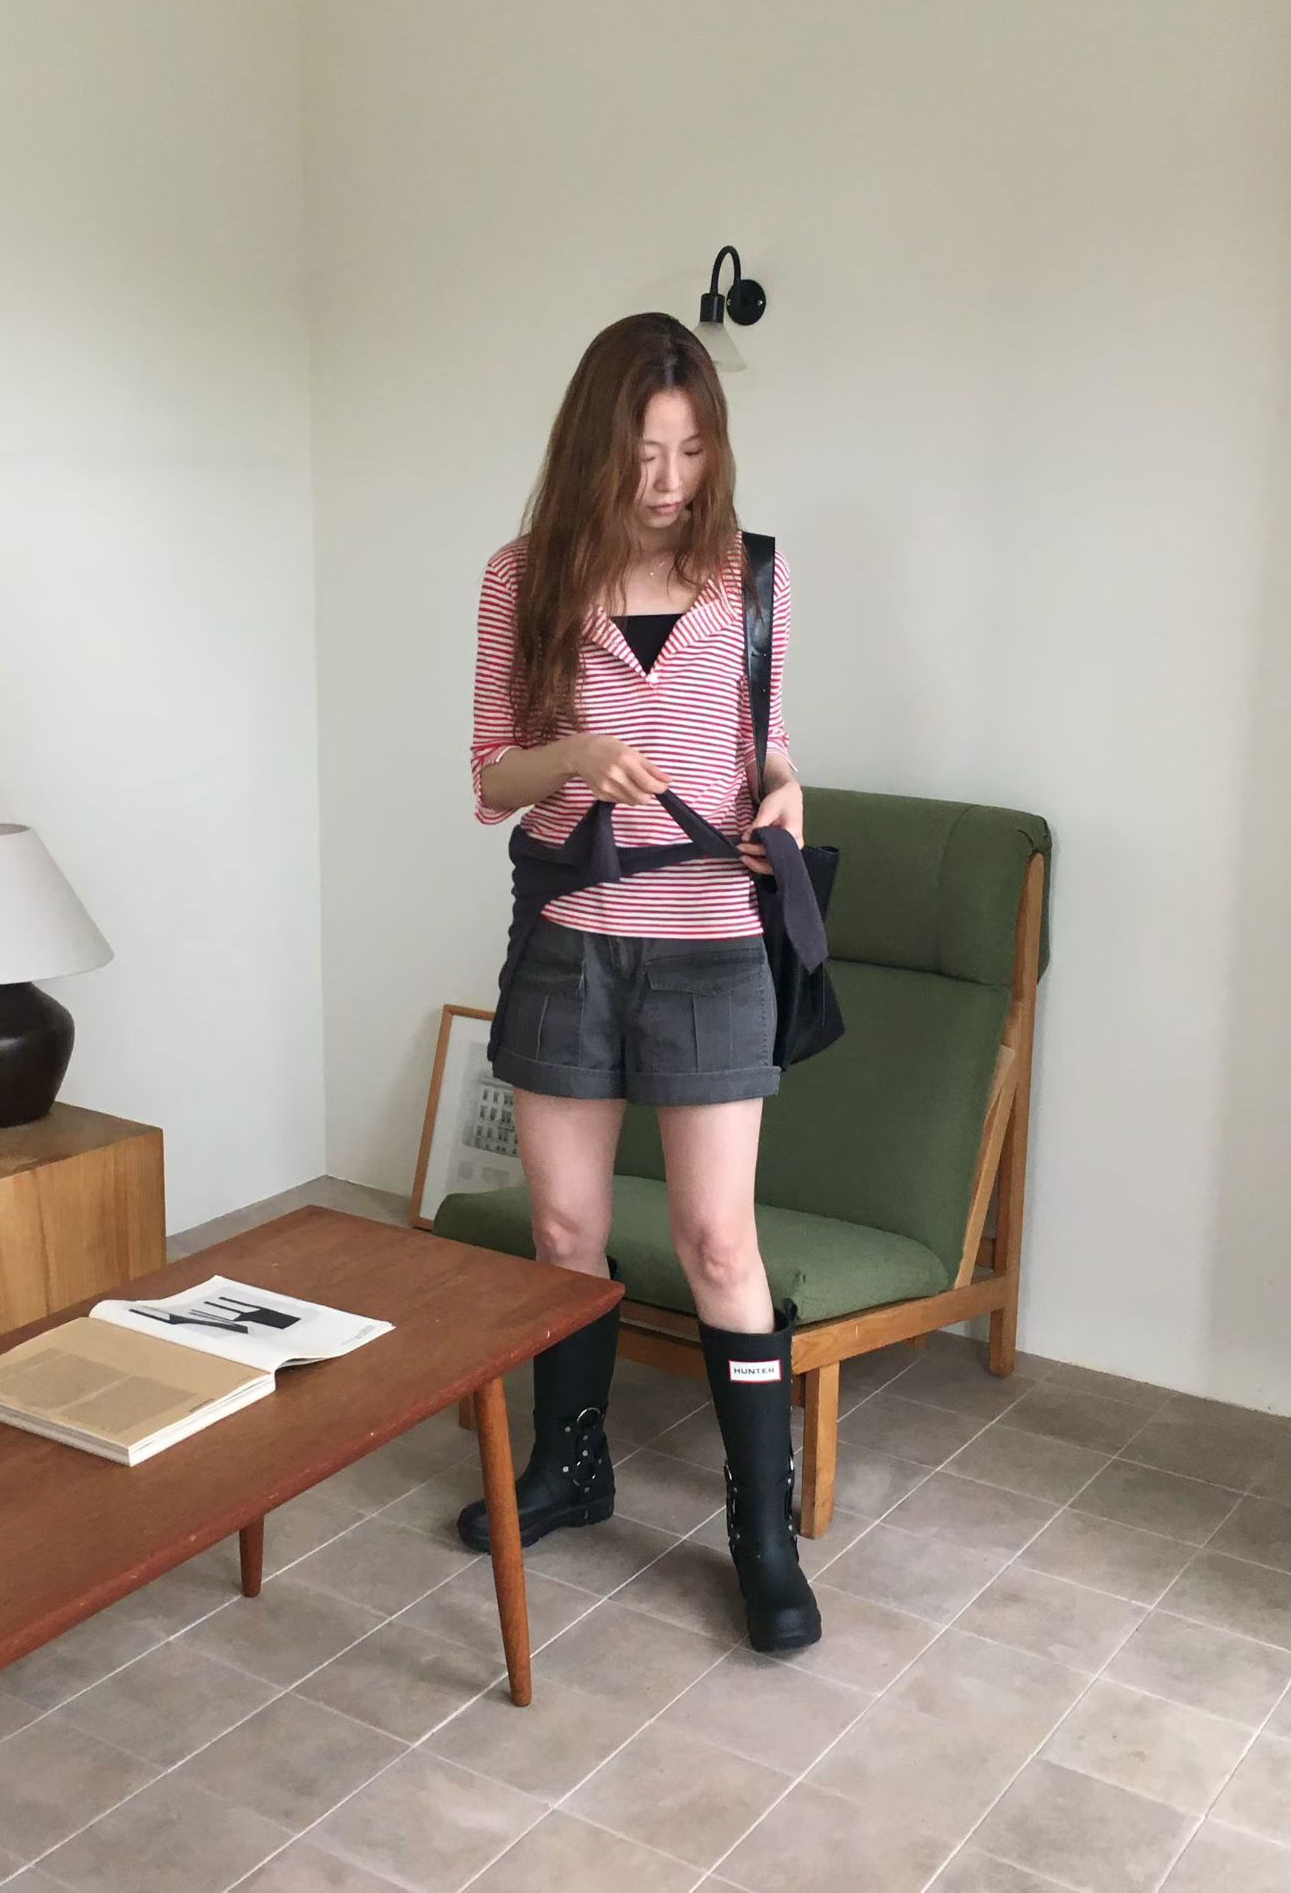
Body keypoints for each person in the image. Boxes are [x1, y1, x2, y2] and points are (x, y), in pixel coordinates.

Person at [456, 312, 820, 1654]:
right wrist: (574, 756)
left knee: (721, 1241)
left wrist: (785, 795)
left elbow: (768, 748)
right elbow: (493, 774)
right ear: (593, 448)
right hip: (571, 933)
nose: (668, 482)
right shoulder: (523, 578)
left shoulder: (753, 574)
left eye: (691, 450)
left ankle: (762, 1534)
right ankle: (572, 1463)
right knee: (564, 1227)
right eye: (643, 453)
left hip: (714, 938)